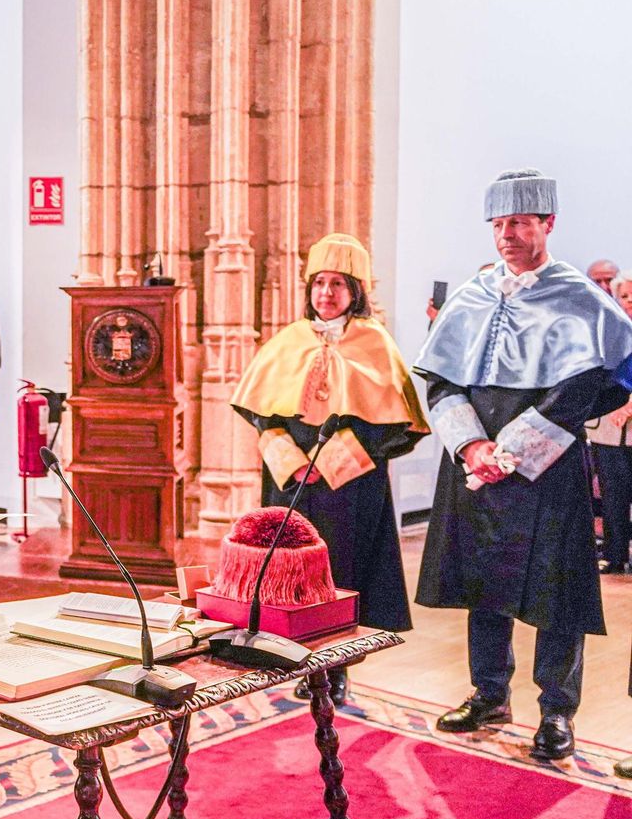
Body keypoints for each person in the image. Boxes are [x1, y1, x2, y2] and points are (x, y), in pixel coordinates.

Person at [415, 168, 632, 762]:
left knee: (555, 592)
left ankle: (557, 710)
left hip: (549, 462)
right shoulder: (472, 294)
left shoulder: (579, 297)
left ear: (547, 224)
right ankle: (489, 692)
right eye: (500, 224)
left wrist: (510, 451)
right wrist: (472, 447)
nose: (508, 234)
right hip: (474, 462)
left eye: (521, 223)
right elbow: (439, 379)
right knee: (482, 583)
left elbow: (588, 385)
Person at [230, 233, 429, 703]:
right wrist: (294, 463)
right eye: (319, 282)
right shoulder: (288, 340)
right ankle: (290, 653)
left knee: (340, 571)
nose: (326, 292)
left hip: (348, 482)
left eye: (337, 283)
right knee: (288, 568)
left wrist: (329, 462)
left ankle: (336, 664)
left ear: (355, 290)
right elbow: (261, 414)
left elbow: (393, 424)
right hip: (291, 479)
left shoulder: (375, 341)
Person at [588, 271, 632, 575]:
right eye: (625, 296)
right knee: (613, 493)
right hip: (607, 428)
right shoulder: (608, 330)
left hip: (626, 419)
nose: (630, 302)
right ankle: (615, 555)